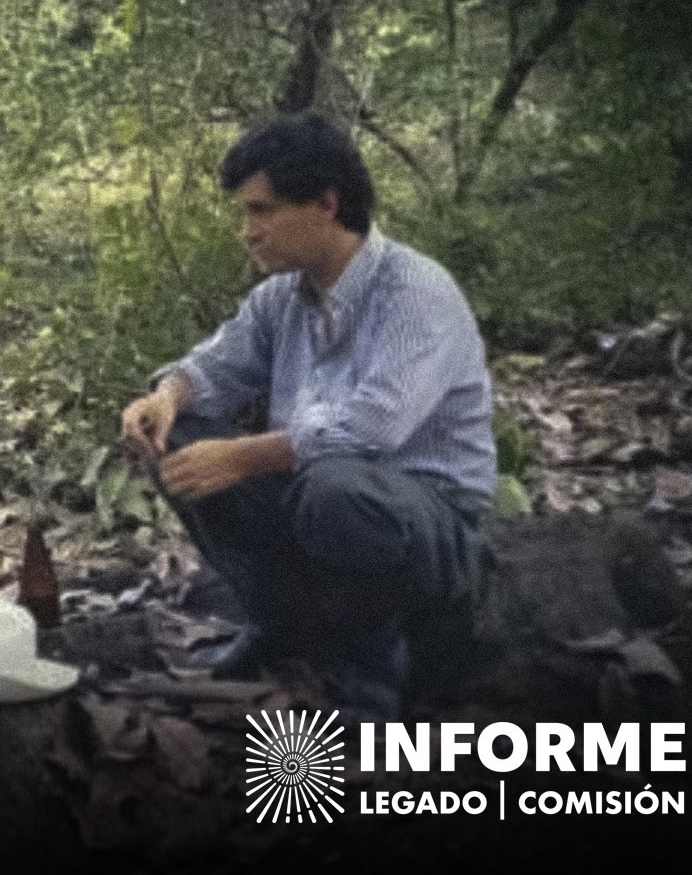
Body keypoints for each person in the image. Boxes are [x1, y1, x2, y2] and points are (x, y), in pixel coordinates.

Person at [119, 113, 494, 715]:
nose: (248, 232)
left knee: (334, 485)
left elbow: (374, 426)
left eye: (261, 211)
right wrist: (165, 397)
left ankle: (379, 668)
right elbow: (214, 367)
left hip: (429, 522)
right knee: (182, 437)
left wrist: (245, 455)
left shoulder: (416, 291)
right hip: (319, 497)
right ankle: (281, 622)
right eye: (245, 214)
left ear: (325, 202)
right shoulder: (281, 297)